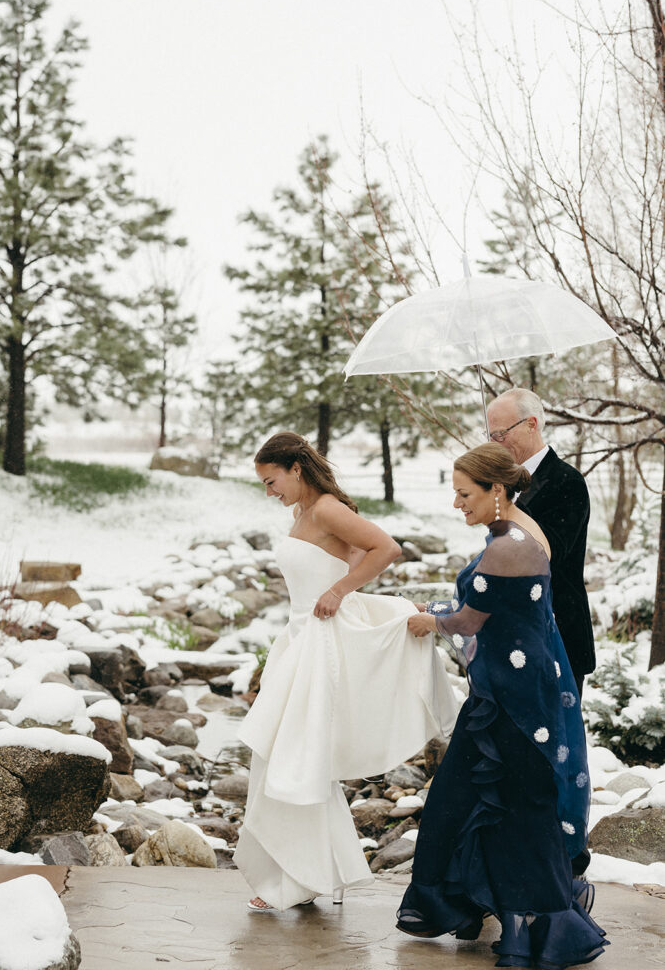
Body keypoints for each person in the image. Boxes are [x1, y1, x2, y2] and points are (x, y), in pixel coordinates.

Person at [396, 444, 607, 969]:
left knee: (512, 809)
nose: (455, 503)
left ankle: (545, 924)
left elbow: (472, 620)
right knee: (473, 800)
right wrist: (441, 609)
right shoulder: (512, 532)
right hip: (505, 690)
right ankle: (486, 910)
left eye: (464, 493)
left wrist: (435, 620)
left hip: (513, 702)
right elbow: (498, 613)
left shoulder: (509, 545)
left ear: (496, 491)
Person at [234, 432, 458, 913]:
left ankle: (298, 880)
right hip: (297, 640)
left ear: (296, 469)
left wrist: (339, 592)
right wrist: (340, 577)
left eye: (272, 481)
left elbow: (385, 548)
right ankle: (304, 873)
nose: (269, 492)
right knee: (282, 758)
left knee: (298, 759)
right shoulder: (302, 513)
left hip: (317, 642)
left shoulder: (327, 508)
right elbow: (348, 553)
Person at [486, 387, 595, 699]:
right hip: (512, 632)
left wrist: (506, 507)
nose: (495, 442)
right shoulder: (503, 483)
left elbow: (548, 553)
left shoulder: (567, 481)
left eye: (501, 433)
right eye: (490, 434)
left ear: (531, 424)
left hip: (557, 631)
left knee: (557, 740)